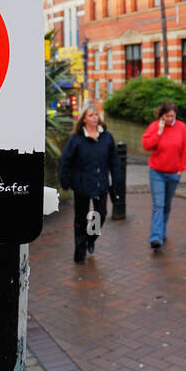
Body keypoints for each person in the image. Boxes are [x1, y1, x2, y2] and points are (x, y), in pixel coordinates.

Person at [58, 104, 119, 265]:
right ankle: (79, 253)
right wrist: (65, 181)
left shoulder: (106, 137)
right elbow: (65, 161)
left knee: (100, 216)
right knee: (80, 219)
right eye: (91, 115)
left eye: (96, 115)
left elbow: (114, 161)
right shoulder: (76, 139)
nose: (95, 118)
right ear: (84, 118)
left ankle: (91, 239)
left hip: (101, 185)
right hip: (82, 185)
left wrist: (117, 180)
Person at [141, 101, 186, 252]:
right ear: (162, 115)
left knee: (167, 205)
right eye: (167, 116)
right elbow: (146, 145)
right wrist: (159, 132)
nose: (169, 119)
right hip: (157, 172)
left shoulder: (181, 127)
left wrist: (181, 169)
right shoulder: (155, 126)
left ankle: (162, 231)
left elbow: (185, 149)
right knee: (159, 205)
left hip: (174, 173)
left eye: (172, 116)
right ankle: (155, 237)